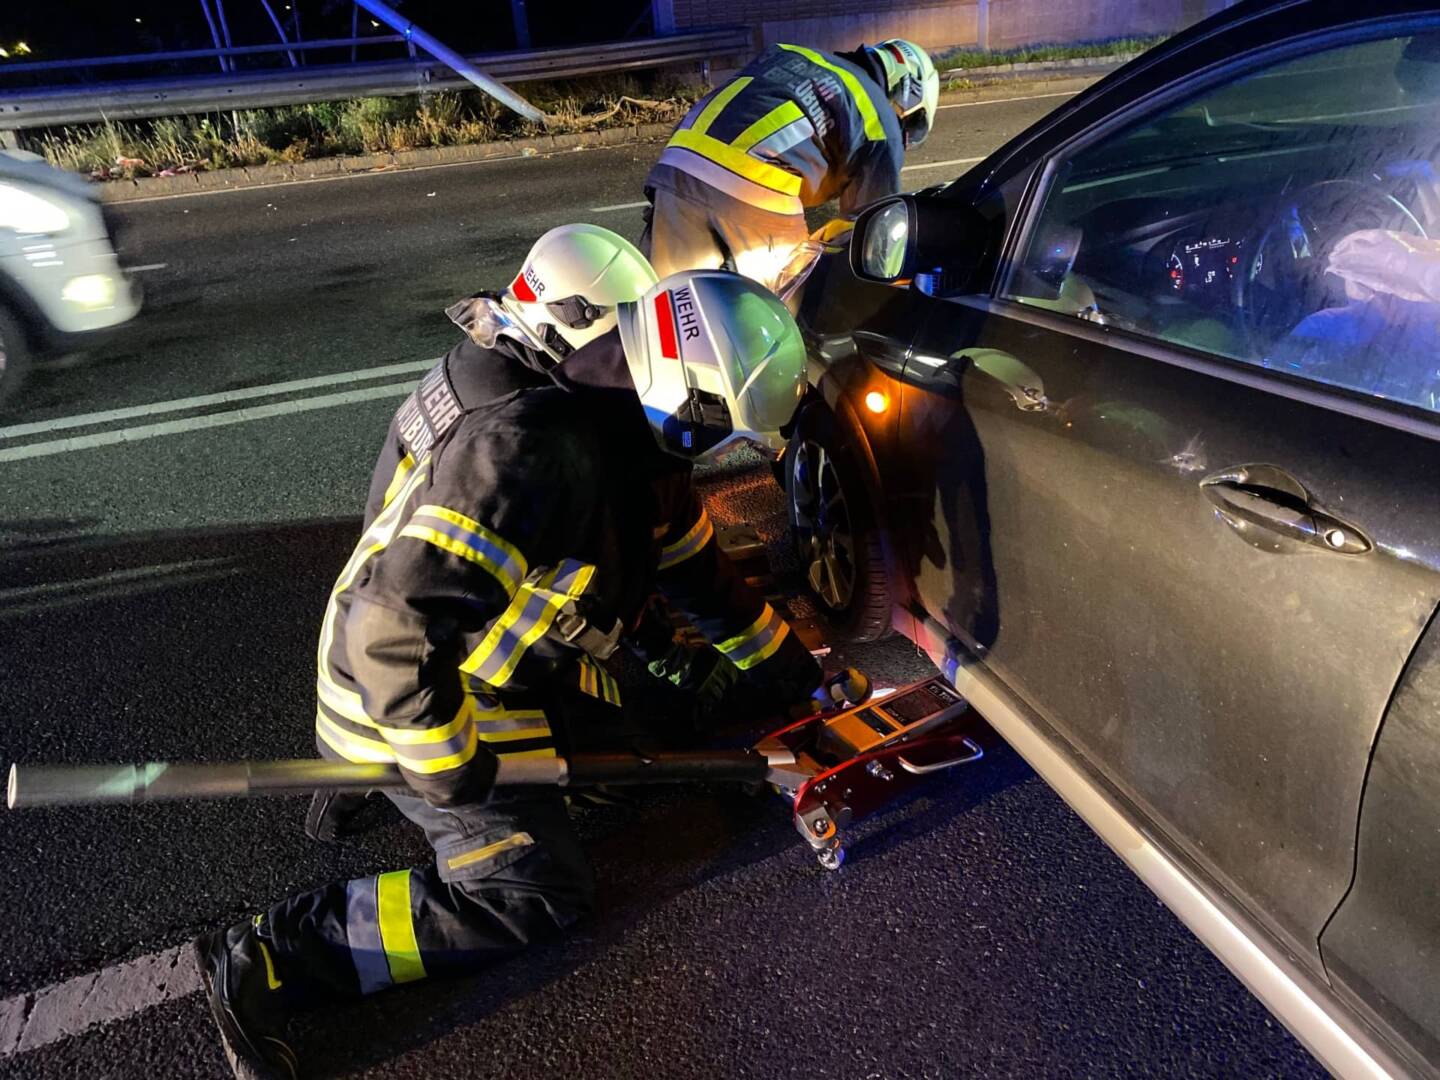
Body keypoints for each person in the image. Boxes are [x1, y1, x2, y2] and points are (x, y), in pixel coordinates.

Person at [192, 255, 823, 1079]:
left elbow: (702, 580)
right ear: (689, 400)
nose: (718, 452)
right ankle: (274, 955)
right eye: (722, 431)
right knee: (533, 892)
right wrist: (449, 767)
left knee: (643, 754)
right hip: (405, 697)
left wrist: (791, 672)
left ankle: (414, 789)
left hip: (505, 674)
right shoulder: (531, 454)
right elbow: (391, 630)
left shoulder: (635, 446)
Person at [640, 38, 940, 291]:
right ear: (908, 92)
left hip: (676, 164)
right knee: (780, 313)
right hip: (752, 180)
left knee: (671, 307)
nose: (903, 135)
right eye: (910, 124)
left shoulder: (795, 54)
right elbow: (870, 230)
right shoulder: (878, 118)